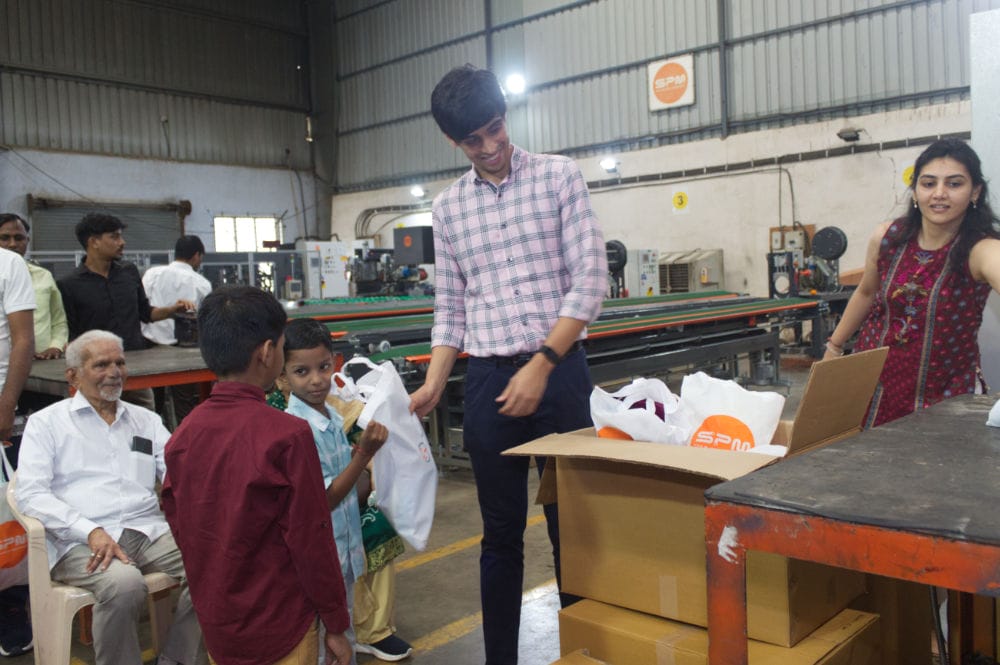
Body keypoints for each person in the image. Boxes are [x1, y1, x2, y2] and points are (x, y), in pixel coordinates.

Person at [409, 65, 608, 665]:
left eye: (496, 129)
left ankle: (580, 648)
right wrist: (434, 382)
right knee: (499, 537)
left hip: (562, 373)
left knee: (569, 524)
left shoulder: (558, 177)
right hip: (492, 383)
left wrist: (544, 363)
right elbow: (452, 306)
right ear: (454, 142)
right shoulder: (448, 209)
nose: (492, 147)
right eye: (475, 140)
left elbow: (590, 281)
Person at [162, 286, 353, 665]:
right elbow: (311, 539)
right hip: (280, 621)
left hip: (218, 621)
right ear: (267, 352)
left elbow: (179, 521)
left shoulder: (184, 434)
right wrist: (335, 622)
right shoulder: (287, 435)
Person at [13, 330, 203, 665]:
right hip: (79, 540)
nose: (114, 371)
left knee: (214, 561)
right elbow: (31, 494)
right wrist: (88, 529)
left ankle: (175, 658)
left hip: (147, 530)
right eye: (101, 364)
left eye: (119, 362)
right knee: (124, 584)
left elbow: (180, 470)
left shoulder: (145, 419)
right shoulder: (47, 424)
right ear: (72, 375)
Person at [825, 138, 1000, 426]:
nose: (939, 194)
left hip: (944, 397)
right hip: (873, 389)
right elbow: (867, 293)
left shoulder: (980, 250)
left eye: (954, 184)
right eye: (928, 183)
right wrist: (834, 348)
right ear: (916, 191)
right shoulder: (888, 237)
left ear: (975, 192)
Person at [280, 318, 390, 664]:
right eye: (301, 371)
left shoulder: (330, 415)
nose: (316, 379)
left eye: (324, 367)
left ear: (335, 363)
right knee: (325, 641)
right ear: (281, 377)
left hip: (342, 551)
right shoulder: (297, 429)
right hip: (322, 560)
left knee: (341, 632)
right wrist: (365, 454)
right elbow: (324, 497)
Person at [57, 212, 194, 410]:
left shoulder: (128, 273)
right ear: (93, 241)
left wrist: (173, 310)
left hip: (133, 369)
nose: (122, 242)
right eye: (114, 236)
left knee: (144, 423)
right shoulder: (68, 285)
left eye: (120, 236)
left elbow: (146, 314)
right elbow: (72, 335)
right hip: (97, 375)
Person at [141, 235, 213, 426]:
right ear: (197, 255)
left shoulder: (152, 274)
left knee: (150, 406)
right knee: (185, 405)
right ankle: (185, 444)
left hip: (149, 347)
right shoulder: (201, 283)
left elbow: (143, 307)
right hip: (183, 352)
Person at [0, 214, 67, 361]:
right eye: (4, 238)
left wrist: (55, 346)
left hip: (42, 366)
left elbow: (59, 321)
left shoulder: (43, 276)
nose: (12, 244)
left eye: (19, 238)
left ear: (27, 241)